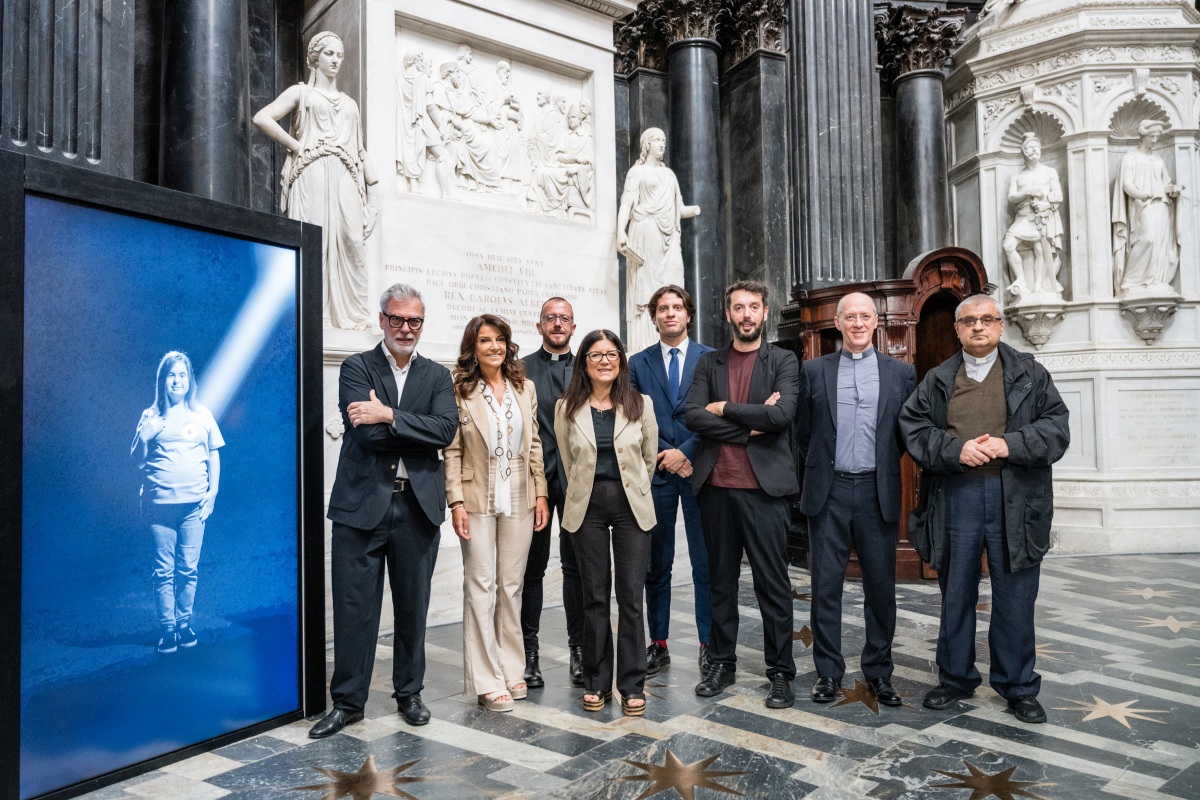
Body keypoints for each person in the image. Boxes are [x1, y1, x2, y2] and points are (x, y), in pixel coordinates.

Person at [900, 294, 1069, 725]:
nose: (979, 326)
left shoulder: (1030, 373)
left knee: (1015, 596)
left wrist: (1009, 445)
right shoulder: (939, 378)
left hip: (1016, 497)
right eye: (969, 320)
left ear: (1000, 325)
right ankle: (955, 678)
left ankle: (1018, 686)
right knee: (956, 592)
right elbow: (914, 428)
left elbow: (1056, 429)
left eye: (987, 319)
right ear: (957, 329)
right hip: (957, 495)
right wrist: (955, 450)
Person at [309, 283, 457, 738]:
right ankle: (348, 703)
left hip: (418, 507)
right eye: (397, 319)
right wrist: (413, 428)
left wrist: (389, 415)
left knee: (413, 606)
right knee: (354, 609)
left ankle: (409, 694)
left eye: (414, 320)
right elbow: (365, 433)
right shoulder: (357, 367)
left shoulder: (438, 376)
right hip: (361, 505)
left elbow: (446, 431)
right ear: (381, 320)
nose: (405, 328)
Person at [795, 292, 916, 706]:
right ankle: (828, 673)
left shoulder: (901, 374)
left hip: (875, 490)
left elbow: (903, 435)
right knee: (825, 586)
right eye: (850, 317)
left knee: (880, 588)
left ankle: (879, 672)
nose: (858, 323)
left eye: (865, 316)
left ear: (875, 322)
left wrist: (878, 464)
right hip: (828, 491)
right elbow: (803, 432)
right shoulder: (814, 371)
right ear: (838, 323)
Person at [685, 280, 800, 709]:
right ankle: (721, 663)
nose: (746, 315)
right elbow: (693, 416)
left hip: (764, 492)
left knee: (773, 585)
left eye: (753, 307)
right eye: (738, 307)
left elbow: (782, 415)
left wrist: (725, 408)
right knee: (720, 583)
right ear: (728, 314)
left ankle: (781, 672)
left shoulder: (784, 360)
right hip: (716, 488)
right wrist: (751, 425)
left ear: (765, 312)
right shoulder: (709, 362)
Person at [445, 315, 549, 712]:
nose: (494, 347)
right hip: (476, 492)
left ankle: (511, 668)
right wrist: (455, 501)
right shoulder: (458, 389)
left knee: (511, 585)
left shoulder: (525, 386)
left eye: (500, 339)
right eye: (485, 340)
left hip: (520, 491)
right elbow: (452, 450)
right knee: (481, 585)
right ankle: (486, 680)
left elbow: (534, 443)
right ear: (473, 347)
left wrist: (541, 492)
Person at [554, 331, 658, 715]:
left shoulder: (640, 403)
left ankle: (632, 684)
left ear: (621, 361)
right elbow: (567, 461)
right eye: (596, 355)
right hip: (587, 506)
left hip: (631, 505)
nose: (604, 361)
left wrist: (634, 488)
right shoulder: (566, 407)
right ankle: (597, 680)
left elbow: (649, 458)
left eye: (611, 354)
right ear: (584, 362)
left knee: (631, 596)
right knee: (594, 596)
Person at [253, 31, 378, 330]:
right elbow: (262, 118)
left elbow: (360, 151)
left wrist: (372, 199)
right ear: (315, 57)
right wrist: (296, 146)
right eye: (329, 54)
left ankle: (356, 316)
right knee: (314, 241)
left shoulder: (350, 104)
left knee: (353, 240)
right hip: (312, 172)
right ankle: (313, 316)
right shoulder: (302, 94)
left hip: (346, 174)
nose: (335, 60)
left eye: (339, 55)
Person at [628, 285, 714, 676]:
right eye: (662, 308)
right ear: (654, 317)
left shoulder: (710, 359)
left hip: (699, 469)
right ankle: (658, 643)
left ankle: (708, 642)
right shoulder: (637, 363)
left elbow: (715, 415)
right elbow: (632, 415)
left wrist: (687, 452)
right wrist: (666, 453)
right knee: (656, 564)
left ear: (688, 314)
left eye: (677, 307)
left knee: (704, 563)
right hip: (658, 470)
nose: (670, 314)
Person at [131, 351, 223, 654]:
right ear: (162, 380)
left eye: (182, 374)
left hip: (194, 507)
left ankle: (184, 624)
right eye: (171, 374)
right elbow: (137, 462)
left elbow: (213, 452)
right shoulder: (150, 416)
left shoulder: (202, 414)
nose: (177, 380)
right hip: (159, 507)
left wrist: (212, 492)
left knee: (188, 570)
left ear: (190, 380)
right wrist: (144, 438)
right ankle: (168, 630)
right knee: (163, 572)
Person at [520, 298, 586, 688]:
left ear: (573, 326)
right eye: (551, 318)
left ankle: (578, 651)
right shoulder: (520, 369)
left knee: (576, 568)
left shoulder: (589, 367)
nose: (557, 324)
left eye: (564, 318)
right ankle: (529, 655)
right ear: (539, 325)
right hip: (536, 482)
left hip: (578, 482)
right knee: (533, 569)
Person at [616, 128, 700, 354]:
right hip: (646, 231)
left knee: (673, 284)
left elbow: (678, 208)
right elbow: (627, 202)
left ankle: (672, 342)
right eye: (657, 141)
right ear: (647, 145)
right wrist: (620, 231)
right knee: (647, 287)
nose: (662, 144)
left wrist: (695, 210)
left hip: (669, 236)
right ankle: (645, 344)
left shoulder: (669, 175)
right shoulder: (637, 172)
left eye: (663, 140)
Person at [1112, 119, 1184, 296]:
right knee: (1148, 238)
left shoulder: (1158, 159)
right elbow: (1126, 184)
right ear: (1143, 135)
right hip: (1142, 205)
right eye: (1152, 136)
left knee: (1160, 242)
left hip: (1162, 204)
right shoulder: (1130, 158)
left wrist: (1173, 190)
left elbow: (1165, 183)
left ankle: (1155, 279)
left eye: (1157, 136)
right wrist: (1141, 194)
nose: (1155, 140)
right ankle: (1130, 280)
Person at [1002, 133, 1064, 299]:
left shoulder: (1049, 172)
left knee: (1040, 250)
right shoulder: (1017, 176)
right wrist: (1027, 191)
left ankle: (1038, 286)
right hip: (1023, 217)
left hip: (1041, 216)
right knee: (1008, 245)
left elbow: (1058, 195)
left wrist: (1046, 204)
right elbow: (1011, 197)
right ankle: (1021, 279)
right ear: (1023, 151)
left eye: (1036, 147)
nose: (1034, 150)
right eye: (1029, 148)